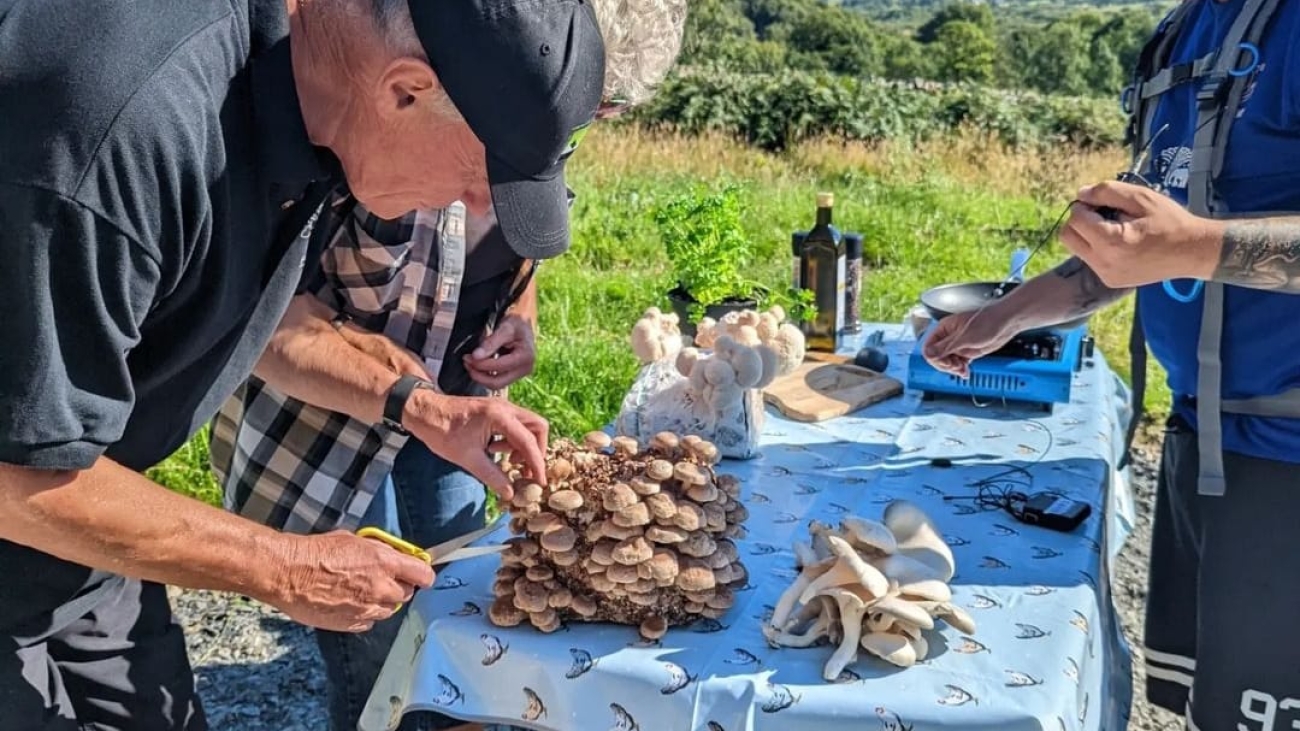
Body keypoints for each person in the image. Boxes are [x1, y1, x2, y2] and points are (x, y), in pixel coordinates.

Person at [0, 0, 605, 728]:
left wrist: (420, 404)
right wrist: (281, 565)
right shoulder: (120, 133)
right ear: (405, 89)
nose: (476, 208)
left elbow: (250, 316)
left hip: (76, 538)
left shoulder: (313, 103)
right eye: (483, 177)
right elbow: (17, 471)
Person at [209, 4, 687, 728]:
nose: (588, 130)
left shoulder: (521, 115)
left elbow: (513, 250)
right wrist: (419, 402)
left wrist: (521, 316)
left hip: (455, 413)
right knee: (378, 656)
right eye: (597, 106)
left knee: (463, 633)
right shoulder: (404, 111)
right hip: (327, 429)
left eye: (602, 114)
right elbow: (263, 317)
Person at [922, 1, 1300, 728]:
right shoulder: (1190, 28)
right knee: (1212, 707)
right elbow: (1143, 245)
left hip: (1287, 465)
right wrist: (1005, 315)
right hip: (1209, 442)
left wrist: (1194, 246)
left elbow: (1186, 241)